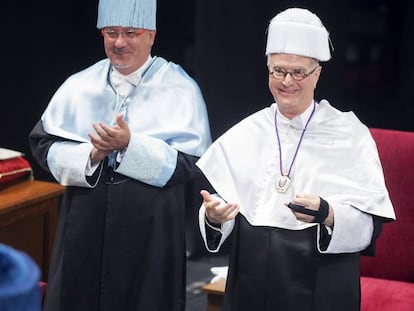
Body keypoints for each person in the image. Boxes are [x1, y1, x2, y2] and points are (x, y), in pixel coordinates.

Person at [196, 7, 395, 311]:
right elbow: (225, 211)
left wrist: (328, 213)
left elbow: (368, 227)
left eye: (298, 72)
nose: (287, 81)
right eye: (278, 70)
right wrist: (214, 217)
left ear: (317, 74)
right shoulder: (247, 132)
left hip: (320, 283)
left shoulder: (349, 134)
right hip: (250, 283)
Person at [28, 0, 211, 309]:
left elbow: (192, 164)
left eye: (130, 32)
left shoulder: (180, 88)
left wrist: (130, 146)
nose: (119, 42)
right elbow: (43, 145)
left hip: (149, 232)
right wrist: (91, 155)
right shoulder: (80, 85)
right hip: (82, 228)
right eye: (111, 32)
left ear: (151, 35)